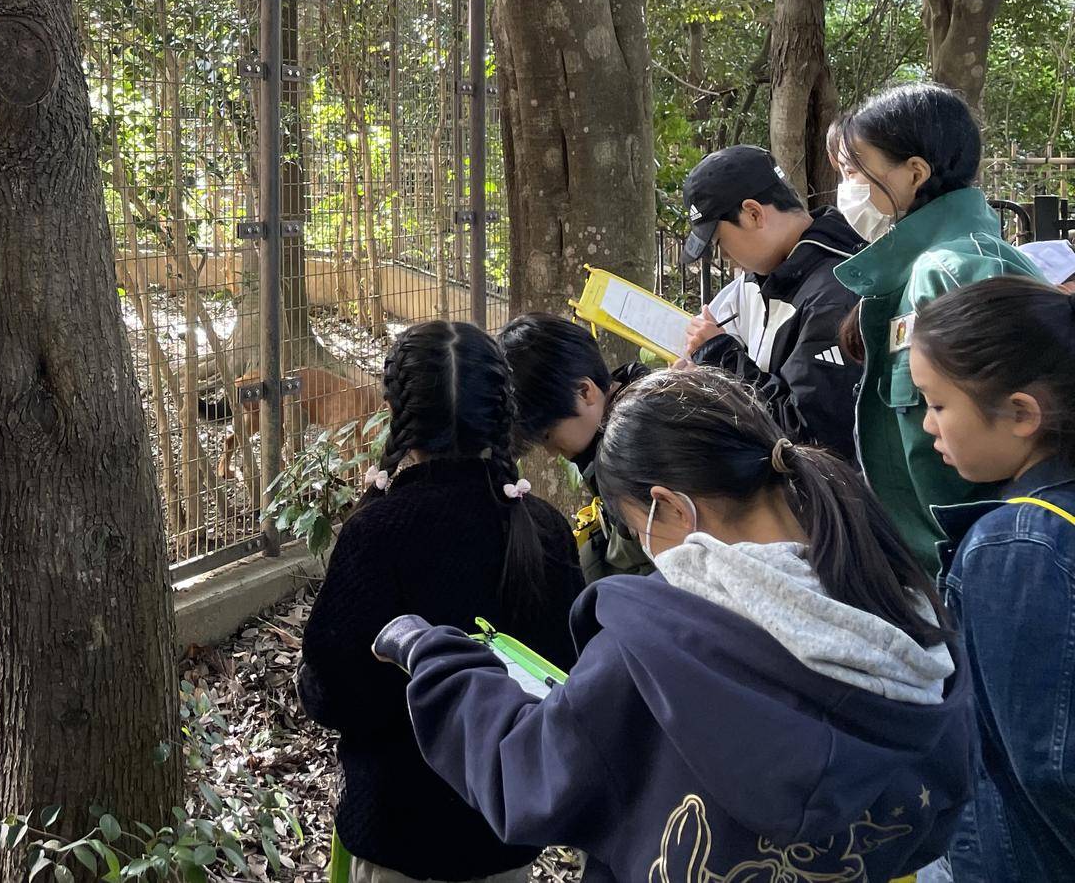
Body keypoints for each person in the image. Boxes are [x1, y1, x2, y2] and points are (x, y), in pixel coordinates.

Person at [378, 366, 972, 883]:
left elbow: (527, 770)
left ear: (672, 508)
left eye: (638, 525)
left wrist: (439, 661)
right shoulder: (898, 601)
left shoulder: (661, 648)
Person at [298, 320, 582, 883]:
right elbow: (565, 674)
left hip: (398, 837)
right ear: (502, 410)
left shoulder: (376, 532)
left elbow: (333, 691)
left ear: (398, 409)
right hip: (504, 841)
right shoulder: (543, 530)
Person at [829, 84, 1042, 571]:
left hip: (975, 566)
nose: (846, 189)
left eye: (853, 171)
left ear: (915, 173)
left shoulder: (950, 273)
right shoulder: (926, 270)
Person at [909, 277, 1075, 882]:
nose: (928, 426)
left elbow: (1047, 767)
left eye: (937, 403)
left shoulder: (1015, 548)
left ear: (1022, 413)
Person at [678, 145, 866, 458]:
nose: (725, 256)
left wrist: (721, 359)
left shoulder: (834, 294)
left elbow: (811, 438)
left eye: (720, 242)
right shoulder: (766, 280)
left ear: (753, 213)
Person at [499, 312, 651, 581]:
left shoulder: (642, 446)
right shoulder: (620, 425)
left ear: (584, 391)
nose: (552, 452)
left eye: (547, 435)